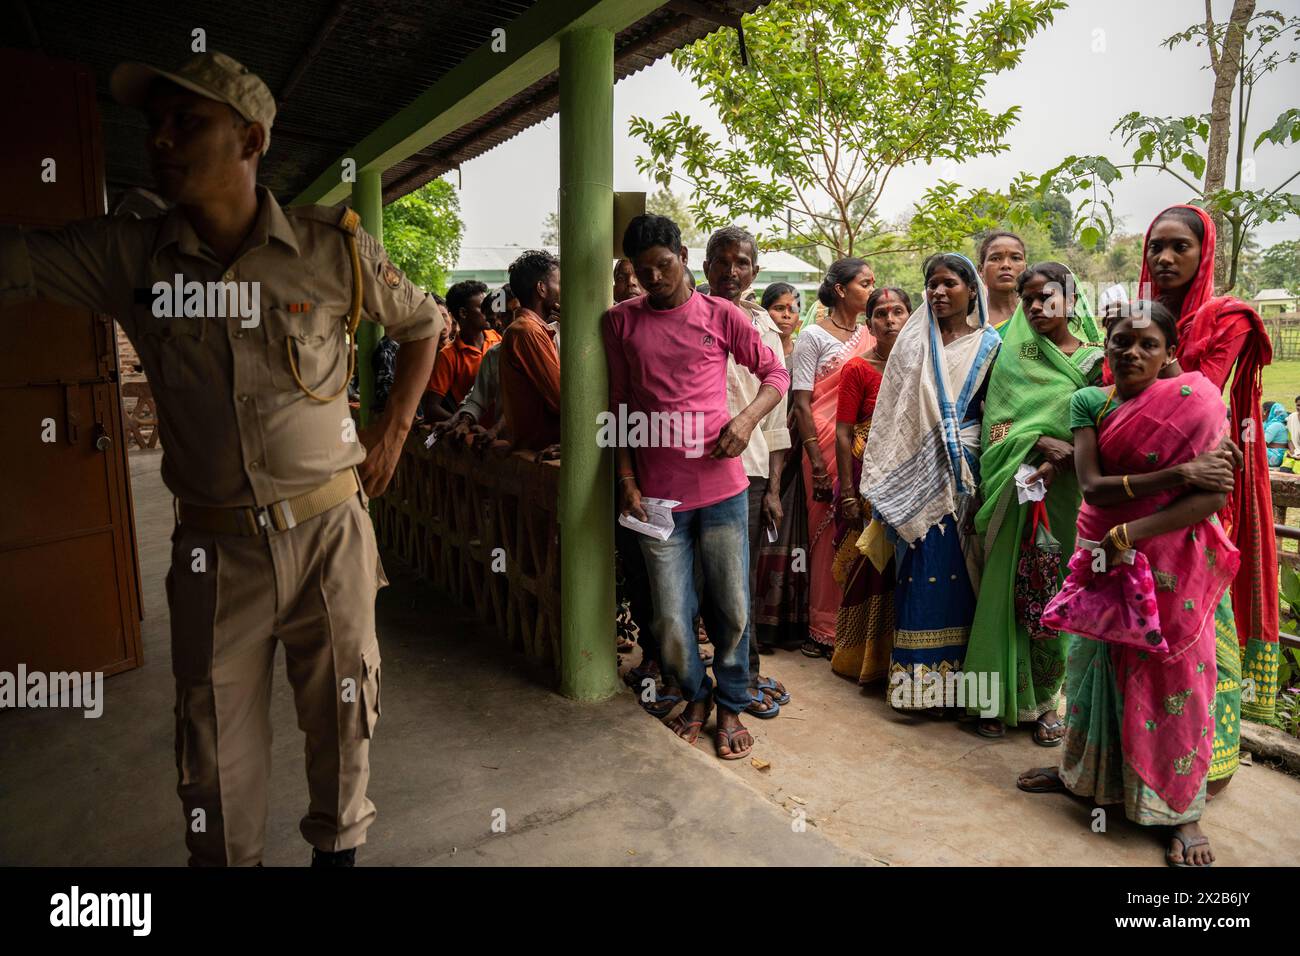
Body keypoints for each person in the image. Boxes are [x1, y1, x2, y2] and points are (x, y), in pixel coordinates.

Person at [0, 51, 443, 866]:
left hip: (328, 534)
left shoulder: (331, 248)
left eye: (186, 123)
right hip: (212, 549)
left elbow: (426, 324)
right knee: (211, 757)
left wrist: (393, 434)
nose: (161, 140)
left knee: (344, 724)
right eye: (156, 124)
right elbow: (19, 261)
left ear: (251, 139)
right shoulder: (128, 256)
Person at [1018, 301, 1240, 867]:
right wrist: (1177, 474)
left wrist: (1132, 532)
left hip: (1170, 560)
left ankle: (1179, 811)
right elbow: (1092, 486)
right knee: (1090, 666)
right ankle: (1082, 775)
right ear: (1106, 345)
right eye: (1121, 341)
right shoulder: (1091, 400)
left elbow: (1213, 495)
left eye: (1147, 344)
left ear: (1170, 351)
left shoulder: (1200, 402)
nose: (1133, 353)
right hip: (1099, 553)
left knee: (1174, 679)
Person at [605, 214, 789, 761]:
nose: (655, 278)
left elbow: (775, 376)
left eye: (663, 265)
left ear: (682, 256)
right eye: (644, 271)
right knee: (669, 616)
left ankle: (730, 702)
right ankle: (697, 694)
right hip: (658, 498)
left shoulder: (722, 315)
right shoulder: (620, 322)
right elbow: (616, 405)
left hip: (724, 490)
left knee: (732, 607)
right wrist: (625, 478)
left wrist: (745, 420)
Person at [1141, 204, 1274, 735]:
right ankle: (1113, 759)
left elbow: (1198, 398)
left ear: (1205, 252)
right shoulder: (1136, 314)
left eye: (1180, 247)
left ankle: (1196, 760)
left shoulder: (1228, 318)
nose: (1166, 258)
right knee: (1127, 619)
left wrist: (1152, 348)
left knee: (1189, 624)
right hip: (1133, 485)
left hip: (1200, 486)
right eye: (1156, 247)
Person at [963, 263, 1104, 741]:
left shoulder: (1097, 360)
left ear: (1071, 299)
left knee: (1058, 591)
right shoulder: (1012, 355)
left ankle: (1048, 703)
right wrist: (1040, 441)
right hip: (1017, 486)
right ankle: (991, 700)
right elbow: (997, 424)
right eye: (1029, 300)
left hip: (1070, 495)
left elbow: (1111, 424)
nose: (1038, 308)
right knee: (1005, 590)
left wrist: (1070, 453)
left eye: (1048, 298)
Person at [862, 253, 1001, 711]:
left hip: (964, 470)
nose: (939, 293)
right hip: (915, 473)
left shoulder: (988, 344)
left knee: (963, 579)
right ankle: (917, 690)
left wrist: (973, 451)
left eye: (949, 284)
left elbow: (992, 410)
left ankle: (958, 690)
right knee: (920, 574)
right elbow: (894, 413)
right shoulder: (912, 341)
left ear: (971, 289)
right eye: (931, 285)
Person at [704, 226, 793, 718]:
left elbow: (777, 417)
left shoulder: (765, 329)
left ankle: (746, 674)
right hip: (699, 465)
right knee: (705, 580)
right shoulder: (691, 315)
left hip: (753, 469)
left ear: (754, 272)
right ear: (706, 268)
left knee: (741, 579)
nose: (732, 271)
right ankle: (718, 678)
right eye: (723, 262)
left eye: (742, 263)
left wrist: (776, 488)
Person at [790, 258, 876, 658]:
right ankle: (822, 625)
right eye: (864, 283)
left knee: (857, 530)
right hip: (822, 445)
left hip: (859, 444)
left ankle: (854, 624)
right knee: (825, 535)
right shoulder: (812, 336)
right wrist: (818, 462)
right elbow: (802, 402)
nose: (871, 289)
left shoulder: (869, 334)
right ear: (841, 289)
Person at [829, 287, 909, 685]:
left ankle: (895, 656)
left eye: (898, 312)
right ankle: (856, 659)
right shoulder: (858, 369)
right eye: (881, 313)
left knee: (901, 569)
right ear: (870, 323)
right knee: (866, 566)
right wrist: (847, 492)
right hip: (864, 485)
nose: (890, 320)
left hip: (910, 484)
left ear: (911, 318)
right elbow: (843, 433)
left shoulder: (920, 366)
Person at [501, 250, 562, 453]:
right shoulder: (528, 331)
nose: (564, 290)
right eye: (559, 283)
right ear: (541, 289)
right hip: (538, 449)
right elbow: (560, 399)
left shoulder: (532, 328)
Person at [425, 280, 500, 424]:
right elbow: (431, 409)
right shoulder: (448, 355)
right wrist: (464, 424)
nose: (489, 312)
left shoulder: (498, 339)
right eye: (482, 308)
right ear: (463, 313)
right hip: (476, 437)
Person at [979, 231, 1027, 330]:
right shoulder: (970, 319)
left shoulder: (1037, 313)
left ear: (1025, 268)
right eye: (995, 258)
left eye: (1015, 258)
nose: (1006, 265)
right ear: (981, 270)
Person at [762, 281, 800, 360]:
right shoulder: (754, 351)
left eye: (793, 310)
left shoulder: (805, 353)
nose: (786, 315)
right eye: (779, 308)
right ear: (764, 312)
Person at [1264, 401, 1289, 469]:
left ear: (1267, 412)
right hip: (1280, 455)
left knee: (1252, 448)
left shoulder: (1275, 425)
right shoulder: (1281, 423)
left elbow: (1262, 443)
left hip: (1275, 456)